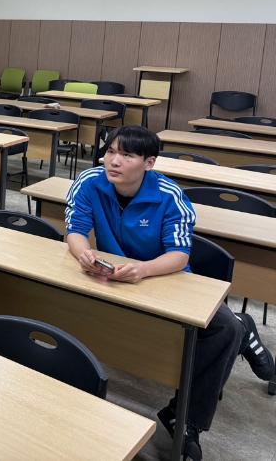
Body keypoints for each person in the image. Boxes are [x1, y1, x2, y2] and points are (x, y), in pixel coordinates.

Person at [65, 125, 274, 460]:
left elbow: (179, 255)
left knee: (224, 328)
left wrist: (143, 270)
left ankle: (186, 419)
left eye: (126, 155)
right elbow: (75, 230)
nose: (113, 161)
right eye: (110, 152)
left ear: (149, 163)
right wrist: (84, 255)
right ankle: (243, 328)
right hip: (114, 275)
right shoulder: (90, 181)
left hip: (163, 275)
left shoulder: (169, 194)